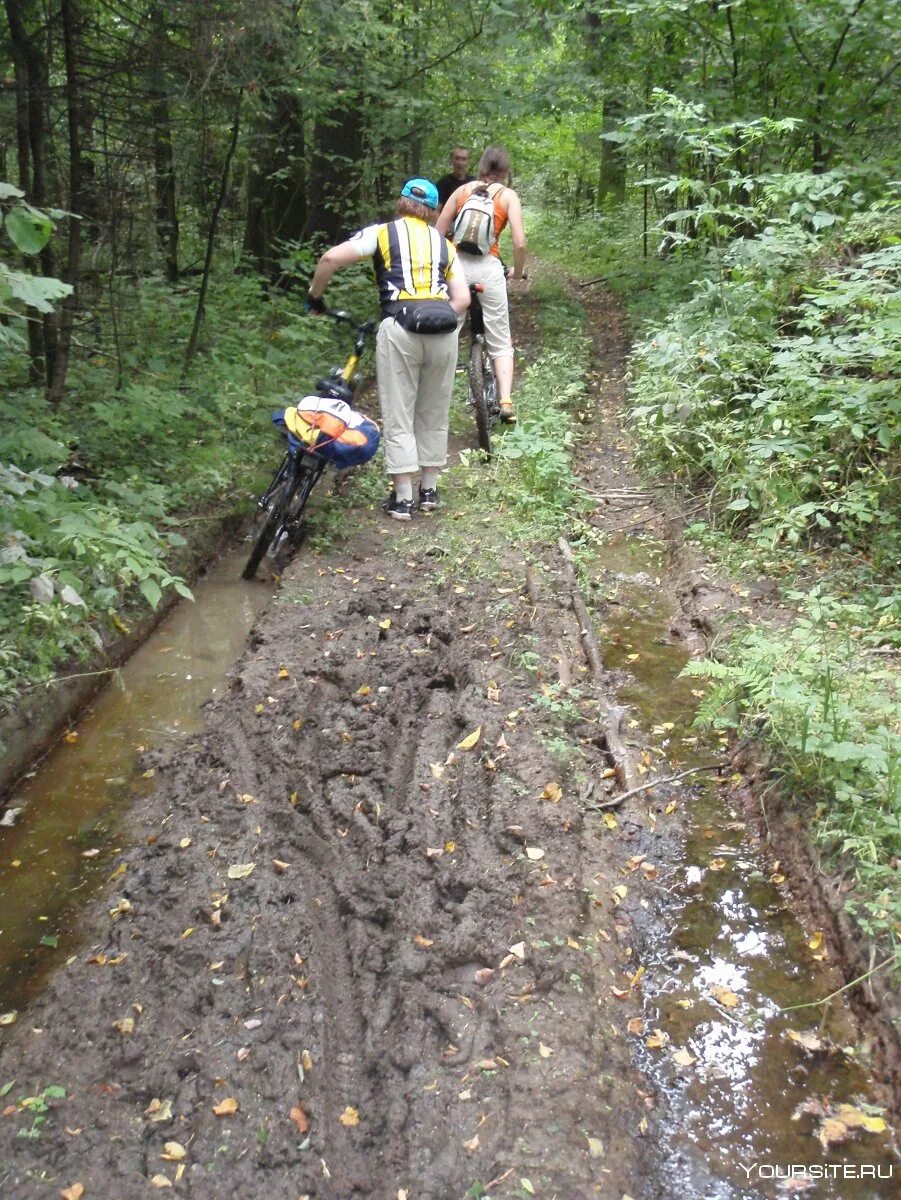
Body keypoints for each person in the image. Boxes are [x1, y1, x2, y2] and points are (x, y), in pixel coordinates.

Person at [306, 179, 470, 520]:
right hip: (444, 330)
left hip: (399, 328)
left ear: (402, 202)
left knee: (399, 411)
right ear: (434, 210)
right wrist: (435, 317)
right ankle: (429, 490)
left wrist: (315, 297)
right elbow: (463, 299)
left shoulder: (383, 233)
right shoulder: (445, 244)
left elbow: (330, 258)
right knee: (434, 409)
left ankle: (403, 499)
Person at [436, 145, 527, 424]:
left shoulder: (462, 191)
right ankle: (506, 401)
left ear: (480, 167)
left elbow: (438, 232)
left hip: (457, 267)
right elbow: (520, 243)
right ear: (505, 171)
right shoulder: (508, 196)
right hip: (489, 268)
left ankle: (435, 399)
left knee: (448, 332)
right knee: (500, 340)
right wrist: (517, 272)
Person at [435, 145, 475, 209]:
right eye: (457, 158)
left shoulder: (474, 183)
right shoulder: (443, 183)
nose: (460, 162)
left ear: (468, 161)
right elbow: (437, 210)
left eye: (463, 159)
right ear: (451, 160)